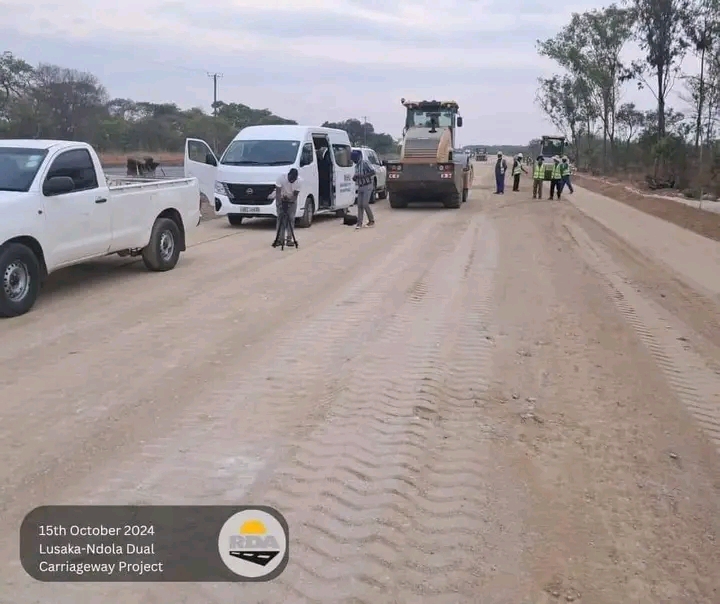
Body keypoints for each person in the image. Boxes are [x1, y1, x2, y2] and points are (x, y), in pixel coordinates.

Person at [273, 167, 301, 247]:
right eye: (290, 179)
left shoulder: (299, 181)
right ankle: (280, 239)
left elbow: (295, 196)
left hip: (291, 200)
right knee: (280, 218)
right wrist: (280, 203)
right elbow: (278, 193)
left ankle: (289, 239)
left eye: (293, 180)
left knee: (291, 219)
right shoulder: (281, 178)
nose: (292, 181)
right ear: (288, 175)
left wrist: (289, 202)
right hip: (281, 198)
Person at [352, 149, 375, 229]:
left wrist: (363, 176)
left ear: (357, 157)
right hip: (360, 186)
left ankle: (371, 220)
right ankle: (359, 223)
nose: (353, 160)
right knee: (359, 205)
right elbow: (356, 176)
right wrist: (354, 178)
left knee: (365, 204)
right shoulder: (356, 166)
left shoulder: (364, 163)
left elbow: (373, 172)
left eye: (353, 159)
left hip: (367, 185)